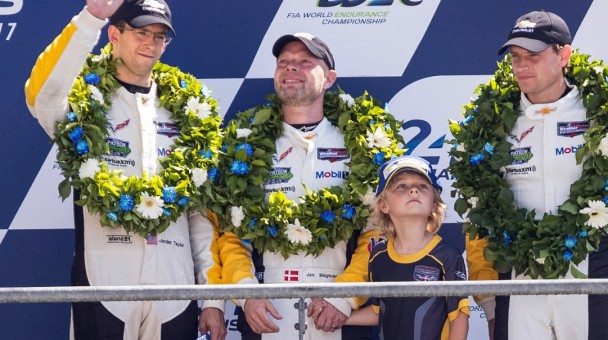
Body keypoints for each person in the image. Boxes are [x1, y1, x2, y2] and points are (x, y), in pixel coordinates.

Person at [463, 10, 608, 340]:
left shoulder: (603, 114)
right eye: (515, 57)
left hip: (590, 267)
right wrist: (490, 301)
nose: (521, 66)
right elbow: (480, 216)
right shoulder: (494, 121)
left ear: (563, 54)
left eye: (533, 56)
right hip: (518, 274)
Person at [24, 0, 226, 339]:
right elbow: (41, 96)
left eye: (160, 36)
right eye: (141, 32)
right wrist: (92, 19)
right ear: (114, 34)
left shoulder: (189, 111)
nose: (150, 43)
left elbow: (199, 215)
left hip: (174, 287)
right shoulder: (83, 102)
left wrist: (212, 299)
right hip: (105, 280)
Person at [213, 32, 390, 339]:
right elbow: (231, 234)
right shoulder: (247, 144)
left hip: (339, 310)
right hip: (266, 307)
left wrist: (346, 297)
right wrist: (245, 293)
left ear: (330, 78)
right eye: (284, 62)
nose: (292, 67)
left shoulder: (360, 142)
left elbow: (378, 232)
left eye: (305, 62)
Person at [345, 155, 470, 340]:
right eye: (401, 186)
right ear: (383, 205)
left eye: (423, 186)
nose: (413, 191)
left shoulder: (447, 256)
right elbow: (378, 312)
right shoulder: (378, 256)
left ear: (434, 204)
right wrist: (343, 319)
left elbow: (459, 318)